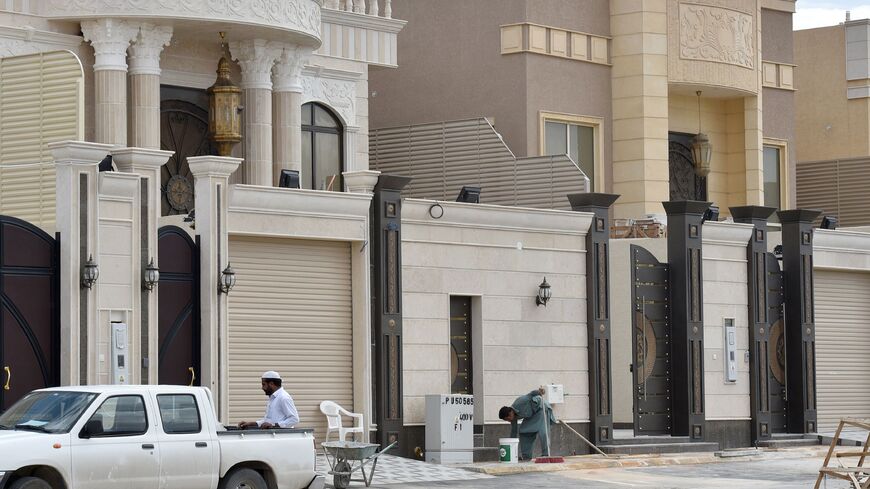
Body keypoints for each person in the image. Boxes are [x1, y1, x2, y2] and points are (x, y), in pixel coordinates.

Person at [498, 386, 556, 460]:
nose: (509, 420)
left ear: (510, 412)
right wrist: (512, 452)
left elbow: (531, 394)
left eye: (508, 418)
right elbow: (514, 432)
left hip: (541, 409)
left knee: (543, 432)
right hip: (532, 415)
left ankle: (546, 455)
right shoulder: (513, 418)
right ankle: (526, 456)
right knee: (524, 432)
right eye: (506, 420)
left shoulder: (519, 402)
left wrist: (539, 391)